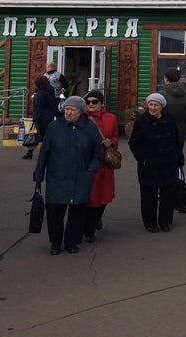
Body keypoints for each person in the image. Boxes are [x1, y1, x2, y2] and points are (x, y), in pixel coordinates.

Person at [32, 96, 102, 255]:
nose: (68, 113)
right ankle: (55, 242)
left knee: (77, 212)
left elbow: (97, 153)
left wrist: (91, 169)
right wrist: (38, 174)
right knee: (55, 212)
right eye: (67, 109)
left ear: (81, 112)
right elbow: (44, 153)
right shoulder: (54, 127)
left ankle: (72, 242)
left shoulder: (90, 128)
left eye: (73, 110)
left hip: (81, 177)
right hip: (57, 176)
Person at [128, 93, 184, 233]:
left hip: (168, 162)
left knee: (168, 194)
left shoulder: (170, 119)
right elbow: (134, 143)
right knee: (148, 195)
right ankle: (150, 223)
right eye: (150, 104)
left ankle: (165, 221)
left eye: (155, 105)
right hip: (149, 164)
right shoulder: (141, 121)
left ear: (162, 107)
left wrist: (179, 159)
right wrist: (143, 159)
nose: (152, 107)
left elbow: (177, 140)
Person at [83, 90, 119, 243]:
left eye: (94, 101)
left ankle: (98, 217)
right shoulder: (82, 117)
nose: (90, 104)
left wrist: (111, 142)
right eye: (88, 101)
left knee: (104, 195)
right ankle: (88, 230)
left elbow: (115, 135)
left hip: (105, 162)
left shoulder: (111, 118)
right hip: (89, 162)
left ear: (101, 103)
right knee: (91, 197)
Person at [159, 67, 186, 149]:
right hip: (182, 130)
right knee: (178, 152)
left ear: (166, 79)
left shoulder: (161, 95)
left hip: (164, 130)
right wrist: (185, 127)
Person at [23, 75, 55, 160]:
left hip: (41, 118)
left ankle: (36, 153)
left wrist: (35, 118)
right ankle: (31, 153)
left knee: (33, 135)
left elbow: (38, 107)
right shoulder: (51, 92)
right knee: (44, 136)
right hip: (49, 117)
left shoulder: (40, 94)